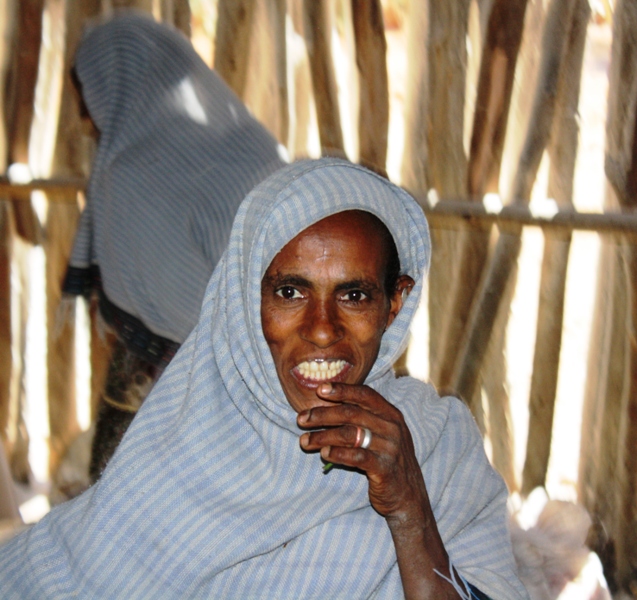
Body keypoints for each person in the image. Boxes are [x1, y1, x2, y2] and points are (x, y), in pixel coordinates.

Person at [0, 159, 526, 598]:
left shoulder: (437, 448)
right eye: (290, 293)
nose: (323, 330)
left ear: (395, 303)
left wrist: (411, 512)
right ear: (245, 301)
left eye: (355, 295)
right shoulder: (178, 448)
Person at [61, 13, 287, 481]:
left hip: (181, 383)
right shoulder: (252, 143)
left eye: (86, 98)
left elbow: (152, 304)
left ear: (118, 86)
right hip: (276, 372)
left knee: (131, 498)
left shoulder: (129, 173)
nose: (84, 119)